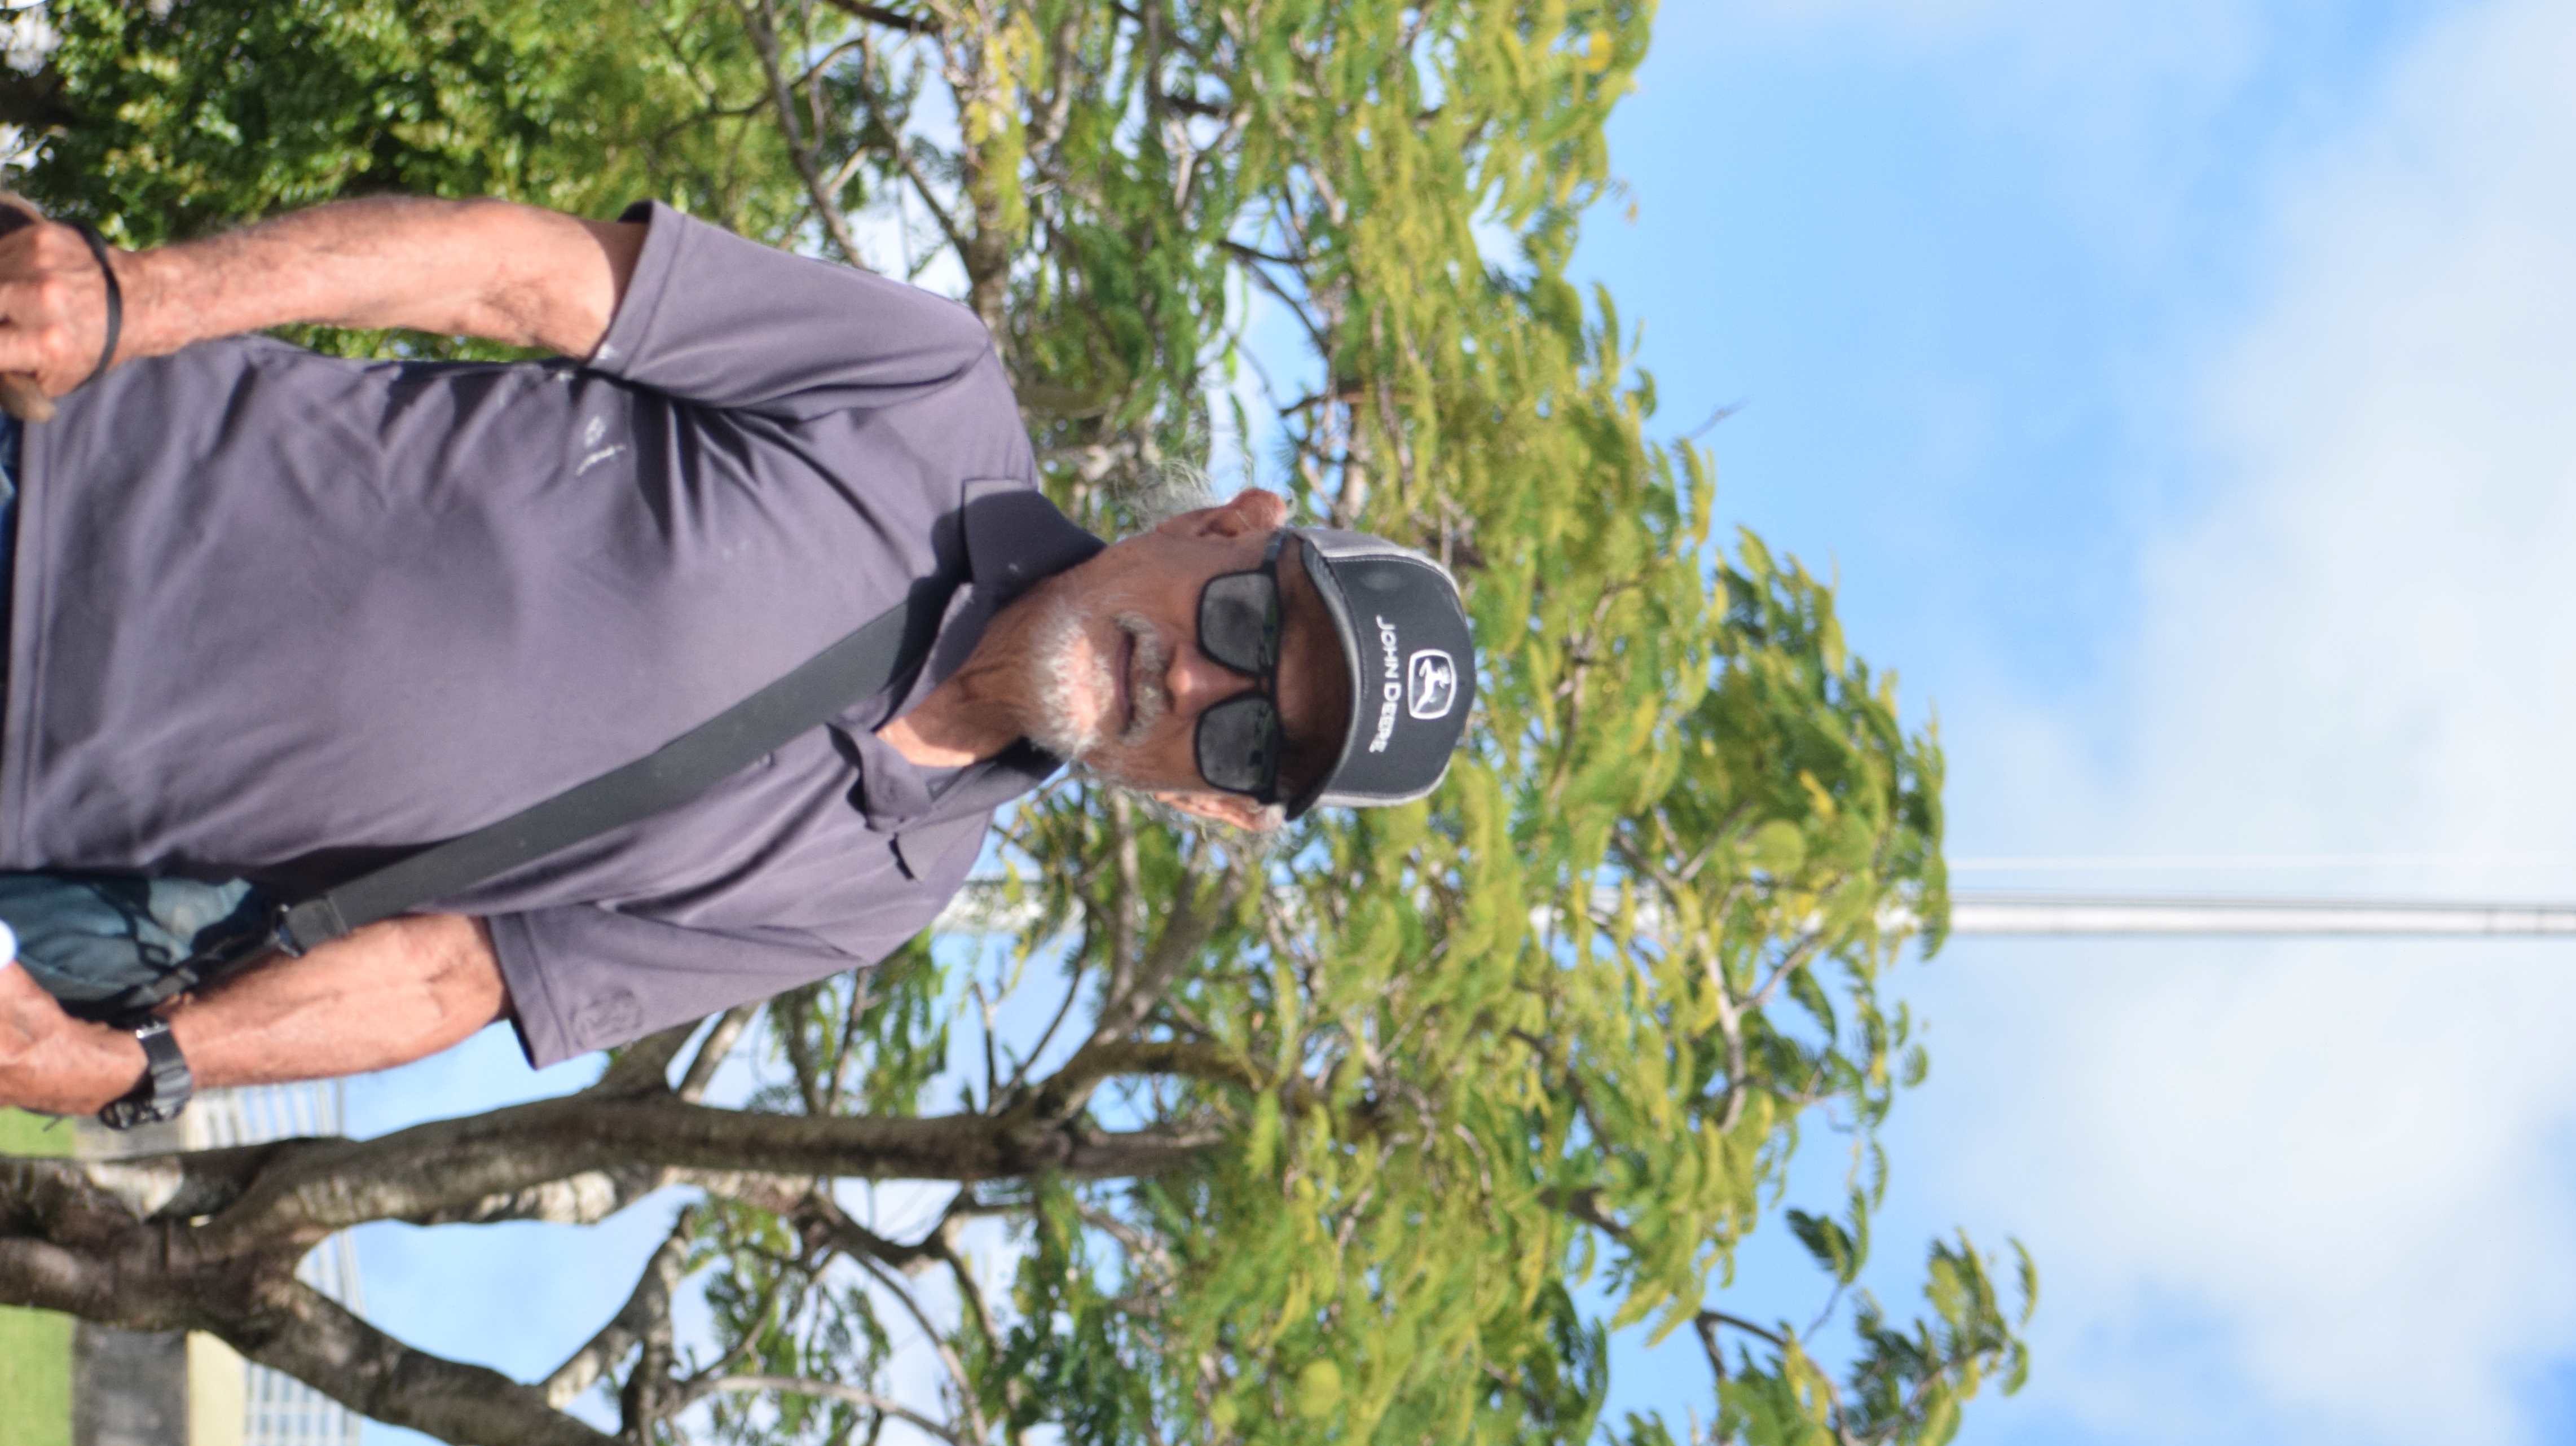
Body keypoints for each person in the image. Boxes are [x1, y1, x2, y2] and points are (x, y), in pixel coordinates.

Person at [0, 193, 1480, 1123]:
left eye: (1249, 742)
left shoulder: (874, 900)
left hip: (53, 839)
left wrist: (145, 1071)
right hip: (63, 468)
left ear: (1216, 804)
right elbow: (523, 280)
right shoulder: (929, 393)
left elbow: (465, 972)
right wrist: (138, 299)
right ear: (1228, 523)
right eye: (1247, 629)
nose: (1196, 687)